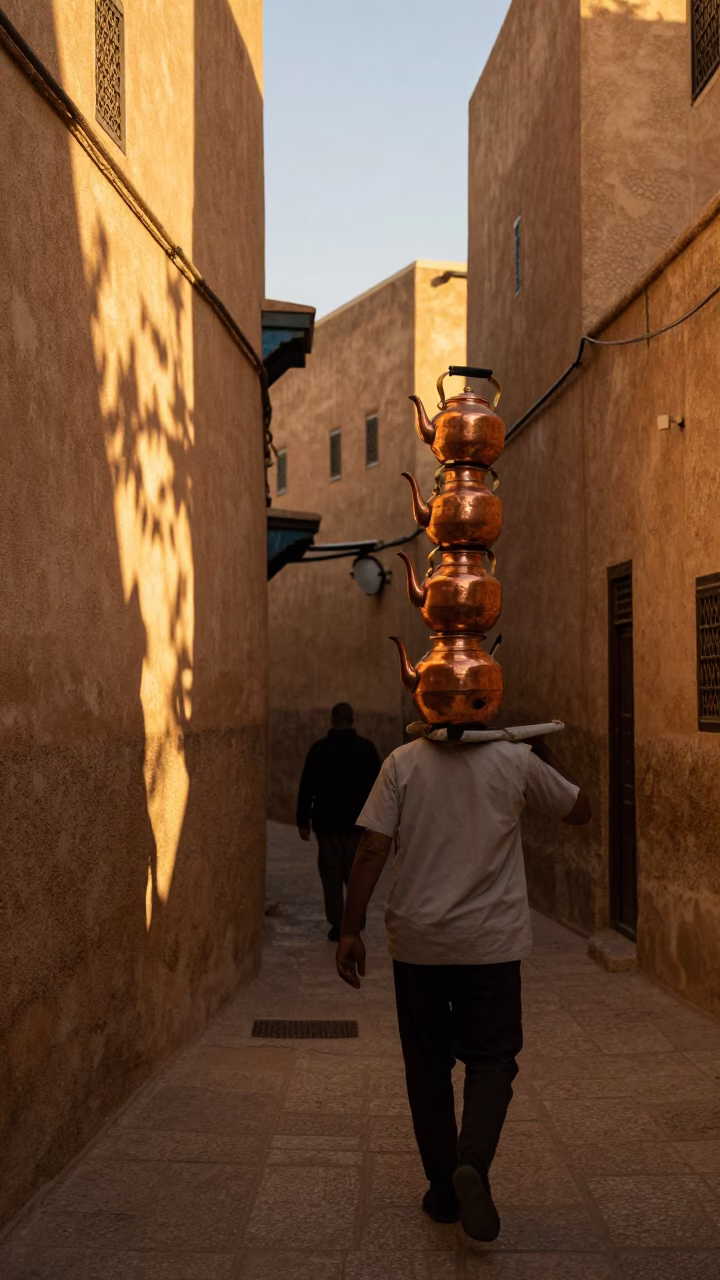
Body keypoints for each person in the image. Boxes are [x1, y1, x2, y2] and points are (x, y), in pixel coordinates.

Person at [335, 731, 590, 1242]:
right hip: (491, 945)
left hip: (419, 945)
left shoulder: (402, 763)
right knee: (492, 1057)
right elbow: (579, 809)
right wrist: (543, 751)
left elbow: (372, 847)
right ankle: (471, 1160)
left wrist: (350, 928)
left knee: (426, 1066)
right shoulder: (515, 761)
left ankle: (444, 1192)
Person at [297, 702, 381, 942]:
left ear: (332, 719)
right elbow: (380, 788)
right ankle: (355, 924)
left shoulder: (319, 750)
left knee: (332, 877)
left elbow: (306, 789)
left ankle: (337, 925)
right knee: (356, 877)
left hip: (327, 826)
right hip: (358, 827)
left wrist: (303, 821)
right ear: (352, 719)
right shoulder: (366, 749)